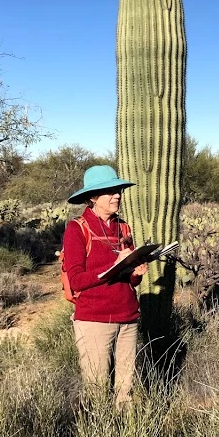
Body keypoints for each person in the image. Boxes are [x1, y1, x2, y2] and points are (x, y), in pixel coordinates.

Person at [63, 165, 147, 407]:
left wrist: (136, 273)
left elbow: (129, 280)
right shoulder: (77, 229)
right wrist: (115, 263)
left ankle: (126, 436)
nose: (117, 195)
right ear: (92, 197)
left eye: (118, 189)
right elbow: (77, 280)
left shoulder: (124, 228)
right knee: (97, 390)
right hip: (94, 320)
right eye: (109, 191)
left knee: (126, 392)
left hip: (128, 316)